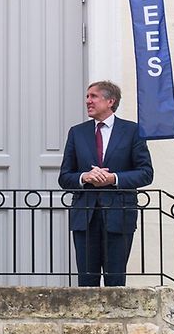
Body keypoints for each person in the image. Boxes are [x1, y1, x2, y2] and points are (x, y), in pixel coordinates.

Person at [58, 80, 154, 287]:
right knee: (86, 280)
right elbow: (65, 176)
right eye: (87, 96)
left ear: (111, 101)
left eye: (93, 96)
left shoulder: (132, 131)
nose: (87, 101)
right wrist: (85, 177)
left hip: (119, 215)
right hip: (85, 216)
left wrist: (114, 178)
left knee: (116, 280)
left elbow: (146, 173)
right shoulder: (77, 132)